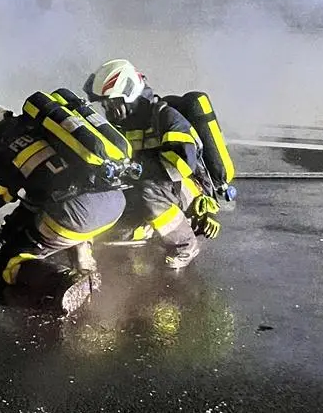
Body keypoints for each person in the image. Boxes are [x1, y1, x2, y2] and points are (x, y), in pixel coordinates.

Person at [0, 101, 128, 307]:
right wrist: (3, 235)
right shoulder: (44, 133)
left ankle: (62, 282)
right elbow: (31, 207)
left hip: (75, 213)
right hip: (113, 203)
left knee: (8, 261)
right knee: (60, 217)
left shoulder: (8, 147)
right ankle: (85, 264)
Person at [82, 59, 222, 269]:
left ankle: (185, 245)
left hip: (187, 187)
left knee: (149, 191)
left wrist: (139, 168)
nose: (109, 110)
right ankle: (150, 227)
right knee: (113, 213)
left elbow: (182, 165)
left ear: (128, 95)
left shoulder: (166, 118)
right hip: (148, 185)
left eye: (111, 104)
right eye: (105, 105)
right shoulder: (123, 125)